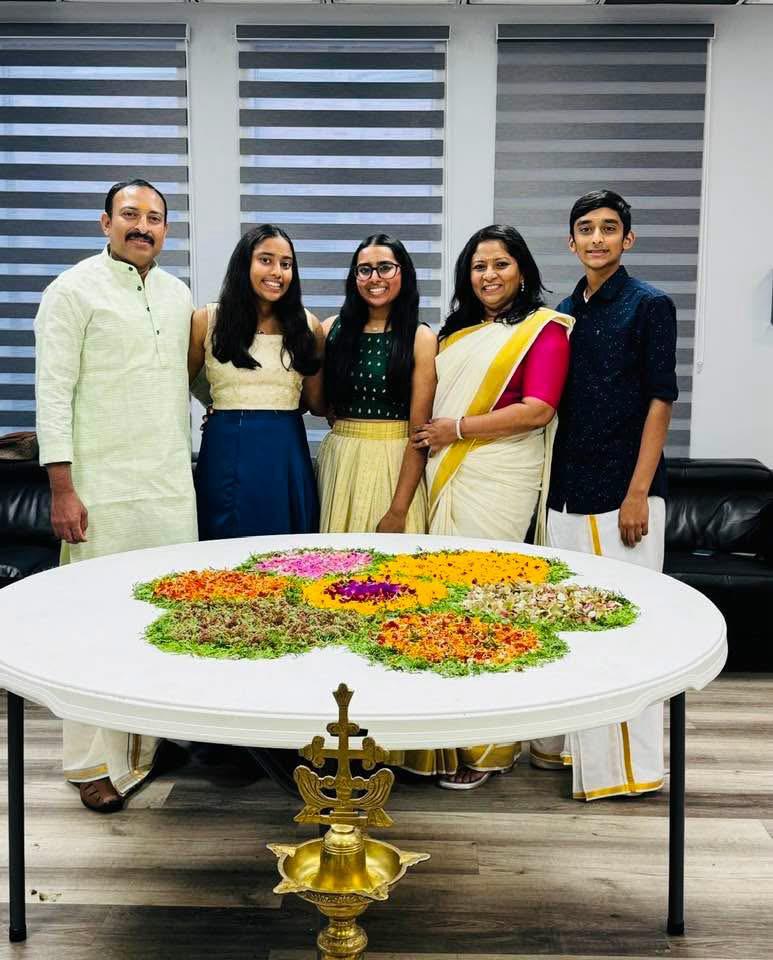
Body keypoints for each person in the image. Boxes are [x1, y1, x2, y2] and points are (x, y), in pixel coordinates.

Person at [34, 178, 197, 813]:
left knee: (163, 619)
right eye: (130, 214)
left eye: (154, 218)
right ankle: (91, 764)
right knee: (94, 624)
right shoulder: (71, 290)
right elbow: (52, 394)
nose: (142, 226)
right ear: (105, 222)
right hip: (100, 490)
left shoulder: (177, 294)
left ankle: (147, 747)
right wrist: (63, 488)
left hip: (168, 488)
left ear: (166, 230)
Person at [396, 224, 573, 789]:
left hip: (499, 477)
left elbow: (539, 409)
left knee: (488, 603)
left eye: (501, 264)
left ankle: (489, 747)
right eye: (478, 266)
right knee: (439, 604)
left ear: (522, 270)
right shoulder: (456, 333)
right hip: (446, 474)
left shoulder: (544, 331)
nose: (489, 275)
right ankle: (440, 740)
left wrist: (458, 430)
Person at [530, 189, 678, 800]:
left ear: (627, 239)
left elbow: (661, 400)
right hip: (566, 492)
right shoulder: (563, 313)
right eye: (586, 229)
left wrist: (638, 492)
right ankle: (571, 752)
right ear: (571, 242)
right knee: (570, 628)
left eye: (609, 228)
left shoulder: (650, 305)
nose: (597, 238)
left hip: (625, 494)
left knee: (626, 631)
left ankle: (626, 772)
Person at [188, 225, 323, 539]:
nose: (277, 272)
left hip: (285, 450)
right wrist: (221, 406)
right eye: (266, 260)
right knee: (222, 548)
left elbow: (314, 401)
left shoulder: (308, 325)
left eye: (286, 264)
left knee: (287, 550)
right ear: (243, 263)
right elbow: (185, 382)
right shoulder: (207, 320)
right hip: (224, 448)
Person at [317, 234, 437, 534]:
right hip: (340, 461)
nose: (374, 278)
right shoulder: (331, 329)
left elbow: (419, 435)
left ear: (403, 272)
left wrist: (398, 511)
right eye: (365, 270)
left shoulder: (420, 338)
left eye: (385, 267)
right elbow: (315, 402)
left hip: (394, 463)